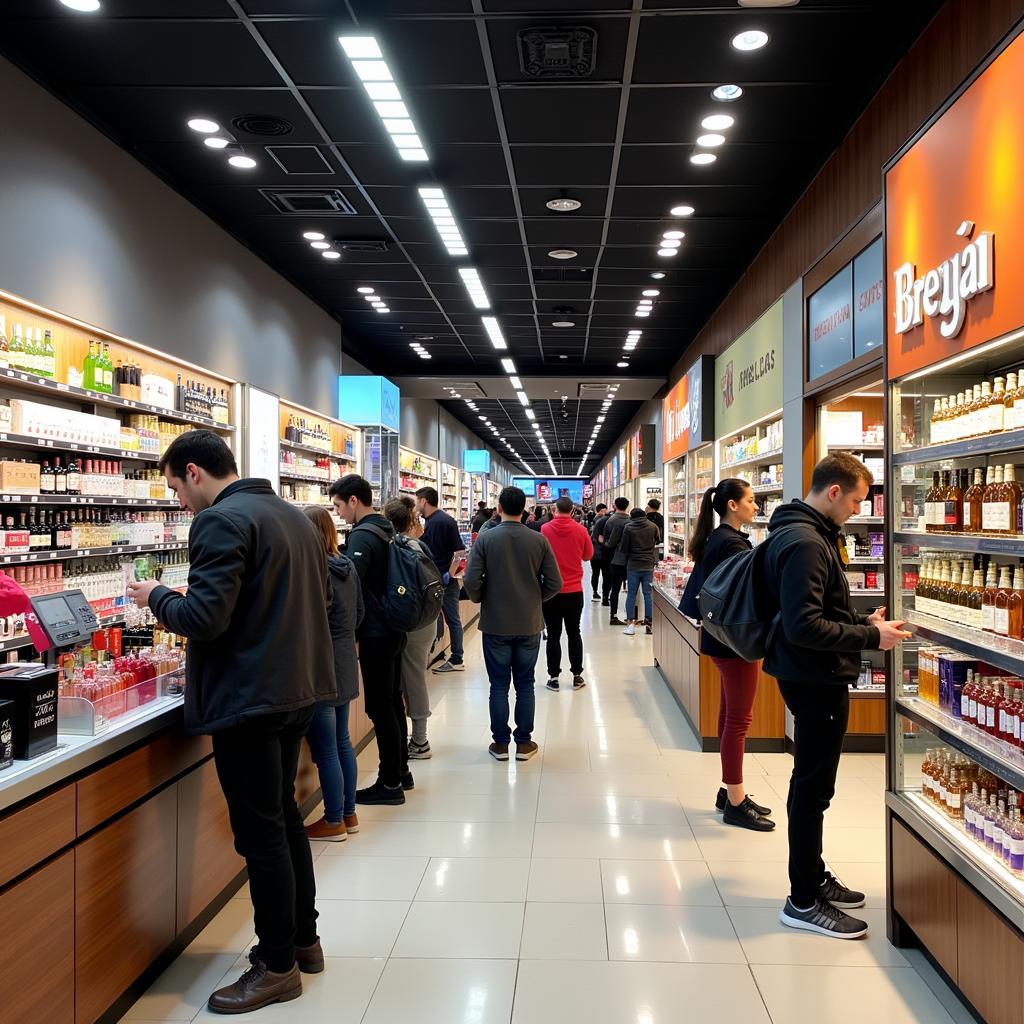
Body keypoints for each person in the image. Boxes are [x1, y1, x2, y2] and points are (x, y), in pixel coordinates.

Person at [126, 430, 334, 1014]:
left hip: (249, 699)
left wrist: (158, 596)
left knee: (260, 834)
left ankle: (275, 967)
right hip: (295, 691)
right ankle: (303, 940)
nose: (180, 503)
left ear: (195, 472)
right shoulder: (291, 515)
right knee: (286, 820)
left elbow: (205, 619)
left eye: (175, 488)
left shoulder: (220, 521)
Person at [763, 453, 910, 939]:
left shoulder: (805, 532)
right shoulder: (807, 541)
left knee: (815, 785)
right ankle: (802, 899)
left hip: (812, 672)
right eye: (854, 501)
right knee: (812, 787)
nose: (855, 510)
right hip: (813, 677)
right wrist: (871, 639)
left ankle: (813, 877)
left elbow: (812, 611)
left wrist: (860, 624)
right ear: (832, 493)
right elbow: (804, 625)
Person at [686, 479, 774, 832]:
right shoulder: (732, 544)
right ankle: (736, 801)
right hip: (735, 642)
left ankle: (729, 790)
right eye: (751, 500)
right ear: (733, 506)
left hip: (720, 638)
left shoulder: (717, 539)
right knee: (738, 721)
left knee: (728, 717)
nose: (756, 506)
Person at [464, 486, 562, 762]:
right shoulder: (538, 540)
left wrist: (483, 598)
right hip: (529, 623)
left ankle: (500, 744)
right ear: (525, 510)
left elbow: (472, 580)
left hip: (495, 623)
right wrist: (534, 598)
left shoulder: (486, 539)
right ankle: (524, 742)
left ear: (499, 507)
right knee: (525, 684)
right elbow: (555, 582)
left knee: (498, 686)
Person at [331, 474, 411, 806]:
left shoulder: (363, 535)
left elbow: (352, 583)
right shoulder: (385, 527)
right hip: (394, 626)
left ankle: (389, 783)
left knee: (381, 708)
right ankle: (401, 772)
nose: (337, 514)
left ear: (354, 500)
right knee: (393, 702)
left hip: (377, 631)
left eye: (338, 505)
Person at [302, 506, 364, 843]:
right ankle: (349, 812)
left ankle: (333, 820)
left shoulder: (314, 569)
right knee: (342, 742)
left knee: (326, 750)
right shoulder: (348, 565)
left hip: (321, 666)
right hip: (345, 660)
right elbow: (359, 613)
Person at [385, 497, 434, 759]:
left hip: (412, 622)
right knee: (413, 677)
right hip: (425, 619)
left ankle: (420, 741)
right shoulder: (417, 545)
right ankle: (415, 736)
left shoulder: (399, 547)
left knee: (413, 679)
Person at [541, 495, 594, 691]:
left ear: (554, 510)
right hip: (574, 590)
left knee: (553, 634)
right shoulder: (580, 530)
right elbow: (588, 555)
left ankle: (553, 677)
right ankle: (577, 675)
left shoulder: (545, 529)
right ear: (572, 511)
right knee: (574, 632)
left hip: (551, 591)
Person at [416, 486, 466, 675]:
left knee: (451, 619)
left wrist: (449, 574)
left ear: (424, 501)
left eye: (417, 501)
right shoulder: (432, 521)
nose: (416, 505)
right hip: (436, 579)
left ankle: (457, 658)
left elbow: (460, 553)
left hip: (441, 581)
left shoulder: (442, 521)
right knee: (446, 619)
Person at [619, 507, 660, 637]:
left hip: (633, 565)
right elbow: (658, 541)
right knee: (648, 594)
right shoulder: (653, 526)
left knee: (631, 594)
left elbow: (624, 547)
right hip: (648, 564)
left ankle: (630, 624)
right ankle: (649, 624)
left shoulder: (628, 527)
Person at [601, 496, 631, 624]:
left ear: (615, 506)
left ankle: (613, 615)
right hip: (630, 559)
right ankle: (631, 616)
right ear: (627, 506)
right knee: (633, 589)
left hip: (614, 559)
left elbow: (609, 541)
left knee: (615, 588)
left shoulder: (610, 520)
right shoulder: (630, 520)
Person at [589, 503, 610, 604]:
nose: (604, 512)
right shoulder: (605, 522)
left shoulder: (594, 524)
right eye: (603, 510)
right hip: (603, 554)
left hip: (595, 554)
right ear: (598, 511)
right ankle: (605, 595)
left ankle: (595, 592)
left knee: (596, 573)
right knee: (606, 575)